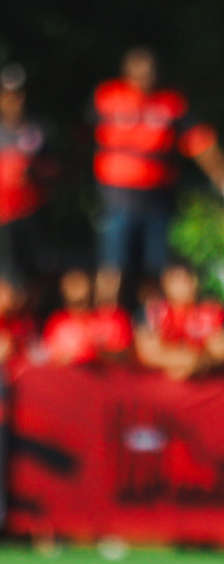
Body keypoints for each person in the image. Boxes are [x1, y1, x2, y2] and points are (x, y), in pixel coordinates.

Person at [92, 47, 224, 307]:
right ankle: (106, 322)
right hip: (117, 197)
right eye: (138, 72)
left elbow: (198, 140)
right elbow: (81, 140)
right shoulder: (107, 97)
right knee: (112, 265)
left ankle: (156, 323)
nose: (144, 78)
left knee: (156, 267)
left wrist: (222, 172)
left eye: (149, 72)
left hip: (156, 198)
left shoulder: (170, 104)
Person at [0, 64, 54, 295]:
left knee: (33, 276)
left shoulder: (39, 131)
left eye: (20, 95)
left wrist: (34, 172)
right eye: (9, 95)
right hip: (3, 218)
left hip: (32, 214)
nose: (15, 101)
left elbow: (55, 169)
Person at [135, 260, 224, 380]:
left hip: (206, 382)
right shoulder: (153, 312)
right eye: (175, 280)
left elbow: (223, 351)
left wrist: (196, 362)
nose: (182, 286)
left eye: (186, 279)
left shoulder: (212, 311)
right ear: (165, 283)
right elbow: (147, 353)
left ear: (195, 281)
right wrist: (184, 361)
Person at [41, 267, 132, 366]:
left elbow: (125, 353)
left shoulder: (104, 319)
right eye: (72, 283)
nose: (76, 287)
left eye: (79, 283)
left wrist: (101, 353)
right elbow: (47, 353)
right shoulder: (56, 321)